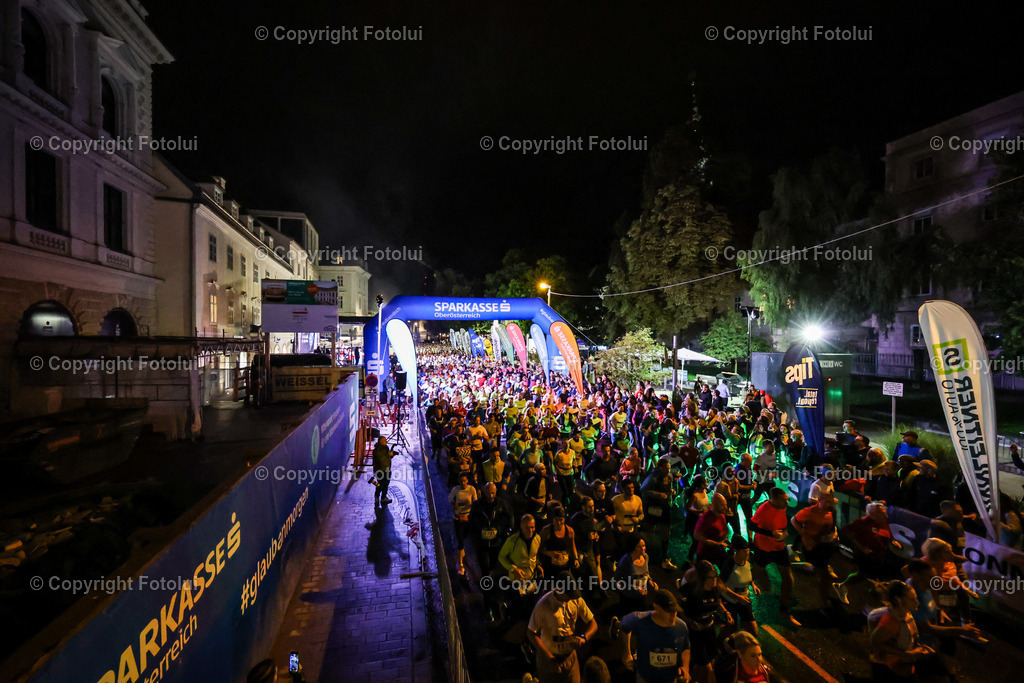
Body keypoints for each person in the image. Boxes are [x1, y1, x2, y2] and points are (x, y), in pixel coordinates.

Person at [526, 571, 598, 683]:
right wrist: (549, 658)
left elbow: (593, 624)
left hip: (570, 657)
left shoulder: (576, 600)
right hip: (548, 658)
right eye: (568, 594)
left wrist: (584, 637)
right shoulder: (544, 605)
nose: (571, 598)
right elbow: (531, 633)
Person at [613, 589, 692, 683]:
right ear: (656, 607)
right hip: (646, 677)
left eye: (674, 611)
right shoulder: (641, 619)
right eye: (668, 611)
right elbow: (625, 624)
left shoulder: (681, 627)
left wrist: (685, 668)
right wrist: (627, 652)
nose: (673, 616)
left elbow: (685, 648)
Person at [749, 487, 801, 628]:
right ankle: (737, 587)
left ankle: (784, 610)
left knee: (788, 578)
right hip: (764, 548)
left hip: (779, 548)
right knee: (756, 572)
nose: (787, 502)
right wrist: (770, 533)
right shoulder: (763, 509)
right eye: (784, 500)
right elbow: (751, 525)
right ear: (775, 499)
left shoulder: (782, 507)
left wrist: (783, 533)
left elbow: (783, 523)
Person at [833, 502, 901, 605]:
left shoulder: (883, 523)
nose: (886, 516)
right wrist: (860, 546)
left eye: (885, 513)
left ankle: (869, 596)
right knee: (862, 574)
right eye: (882, 513)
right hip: (864, 556)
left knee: (868, 576)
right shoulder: (862, 522)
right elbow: (846, 531)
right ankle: (844, 587)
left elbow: (889, 536)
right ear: (872, 514)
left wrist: (893, 542)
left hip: (878, 557)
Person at [677, 559, 733, 680]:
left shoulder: (715, 588)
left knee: (710, 658)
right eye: (710, 578)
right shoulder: (691, 590)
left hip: (709, 629)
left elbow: (717, 603)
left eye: (715, 577)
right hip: (694, 632)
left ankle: (693, 678)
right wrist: (689, 622)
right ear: (702, 578)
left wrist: (725, 612)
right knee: (706, 665)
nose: (714, 581)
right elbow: (678, 607)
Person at [869, 581, 934, 681]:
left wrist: (920, 648)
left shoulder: (906, 614)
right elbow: (875, 642)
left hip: (902, 669)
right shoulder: (891, 621)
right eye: (912, 599)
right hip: (888, 670)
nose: (917, 602)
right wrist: (906, 653)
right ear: (898, 600)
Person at [792, 492, 842, 611]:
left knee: (817, 569)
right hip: (813, 548)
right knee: (825, 577)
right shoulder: (809, 511)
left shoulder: (831, 511)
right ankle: (824, 602)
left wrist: (832, 535)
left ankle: (796, 565)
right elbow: (794, 521)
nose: (831, 504)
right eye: (828, 502)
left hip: (826, 546)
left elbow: (831, 526)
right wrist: (806, 536)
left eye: (832, 501)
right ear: (819, 501)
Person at [471, 482, 514, 578]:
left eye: (493, 493)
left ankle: (489, 576)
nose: (491, 496)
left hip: (496, 540)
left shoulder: (501, 504)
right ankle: (486, 581)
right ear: (484, 492)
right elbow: (472, 520)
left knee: (494, 561)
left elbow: (509, 517)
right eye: (488, 493)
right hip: (482, 541)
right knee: (484, 564)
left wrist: (508, 530)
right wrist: (476, 532)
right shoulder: (477, 505)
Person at [719, 537, 759, 636]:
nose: (747, 554)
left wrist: (753, 584)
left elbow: (746, 574)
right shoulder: (729, 564)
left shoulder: (749, 559)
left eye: (748, 551)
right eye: (744, 552)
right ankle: (720, 644)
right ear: (735, 551)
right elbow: (720, 584)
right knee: (731, 628)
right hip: (729, 600)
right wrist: (737, 597)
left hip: (744, 598)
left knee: (753, 631)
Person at [713, 631, 783, 683]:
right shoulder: (730, 673)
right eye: (753, 656)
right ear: (740, 655)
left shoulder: (766, 672)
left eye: (759, 654)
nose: (759, 660)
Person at [613, 535, 658, 614]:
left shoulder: (645, 557)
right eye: (639, 547)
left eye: (643, 546)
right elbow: (617, 580)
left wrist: (650, 581)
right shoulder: (626, 561)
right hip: (628, 597)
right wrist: (634, 588)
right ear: (632, 547)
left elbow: (646, 573)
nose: (643, 549)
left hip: (642, 595)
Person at [449, 471, 479, 575]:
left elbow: (475, 502)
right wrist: (454, 505)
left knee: (465, 537)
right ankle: (461, 564)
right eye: (461, 481)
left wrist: (470, 504)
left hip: (467, 518)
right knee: (460, 540)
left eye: (465, 481)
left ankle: (462, 554)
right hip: (458, 517)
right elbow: (450, 499)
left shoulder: (471, 489)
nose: (463, 483)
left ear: (467, 481)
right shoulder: (455, 490)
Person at [694, 493, 731, 573]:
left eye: (725, 504)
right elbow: (696, 535)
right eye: (722, 505)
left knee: (726, 571)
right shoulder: (705, 518)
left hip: (719, 551)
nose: (726, 507)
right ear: (715, 505)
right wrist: (716, 544)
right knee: (702, 576)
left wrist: (725, 541)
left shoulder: (721, 515)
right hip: (706, 553)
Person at [539, 506, 579, 577]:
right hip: (550, 567)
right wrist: (551, 553)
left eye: (561, 520)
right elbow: (539, 548)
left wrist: (576, 559)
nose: (559, 522)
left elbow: (572, 546)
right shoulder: (546, 531)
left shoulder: (569, 531)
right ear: (553, 519)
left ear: (564, 519)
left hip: (564, 567)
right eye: (556, 520)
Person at [371, 436, 393, 507]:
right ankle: (377, 496)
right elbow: (381, 459)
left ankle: (384, 497)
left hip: (387, 469)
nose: (386, 442)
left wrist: (391, 455)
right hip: (380, 470)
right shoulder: (377, 450)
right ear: (380, 441)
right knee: (380, 484)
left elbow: (387, 458)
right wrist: (389, 455)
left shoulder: (386, 448)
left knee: (386, 484)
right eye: (384, 440)